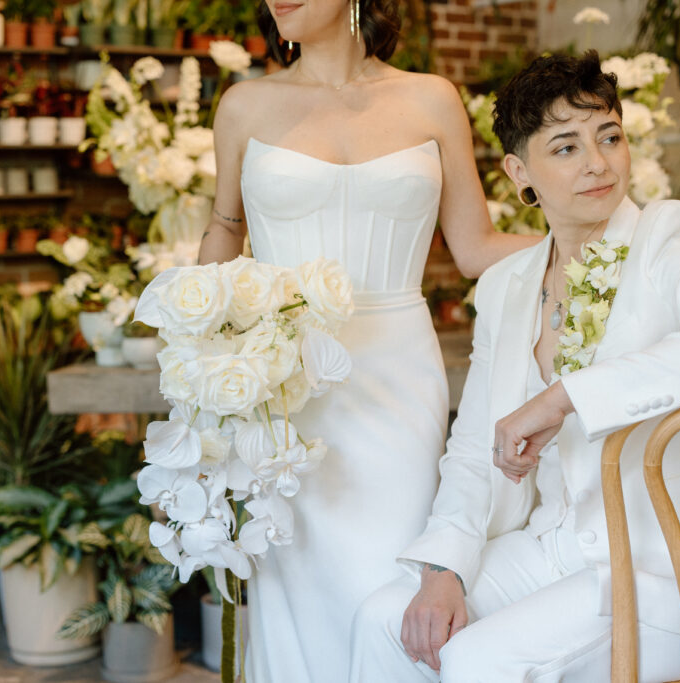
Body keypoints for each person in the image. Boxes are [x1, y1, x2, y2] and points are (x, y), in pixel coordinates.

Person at [349, 51, 680, 682]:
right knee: (385, 621)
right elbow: (474, 447)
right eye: (566, 148)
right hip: (552, 549)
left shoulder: (669, 236)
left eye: (609, 137)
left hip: (670, 569)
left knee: (475, 661)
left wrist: (564, 397)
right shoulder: (507, 284)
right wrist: (445, 570)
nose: (598, 163)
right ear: (520, 172)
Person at [197, 0, 538, 680]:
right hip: (285, 386)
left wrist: (611, 249)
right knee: (297, 589)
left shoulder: (432, 99)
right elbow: (224, 229)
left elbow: (475, 247)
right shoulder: (243, 105)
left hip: (398, 381)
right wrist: (193, 335)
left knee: (393, 574)